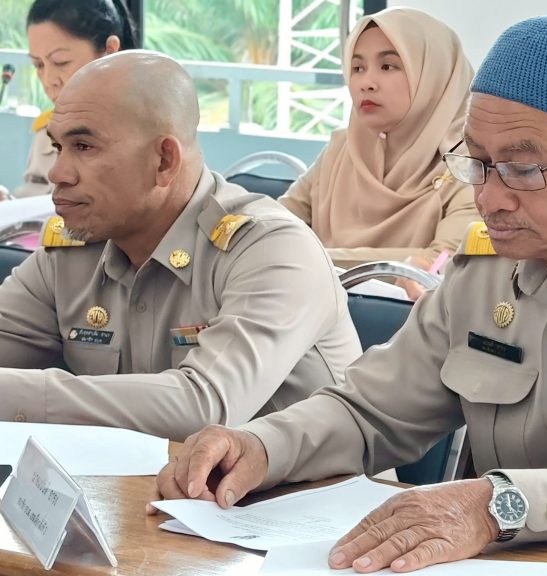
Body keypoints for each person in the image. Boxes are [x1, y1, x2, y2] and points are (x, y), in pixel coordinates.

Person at [153, 16, 547, 573]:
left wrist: (497, 504)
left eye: (522, 168)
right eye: (477, 163)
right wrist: (260, 445)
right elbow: (373, 410)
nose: (489, 197)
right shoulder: (489, 266)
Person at [0, 51, 363, 441]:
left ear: (164, 160)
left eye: (84, 147)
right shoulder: (74, 248)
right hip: (147, 480)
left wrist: (27, 396)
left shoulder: (271, 249)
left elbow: (205, 408)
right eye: (58, 147)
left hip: (302, 482)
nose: (57, 173)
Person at [278, 8, 478, 291]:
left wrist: (305, 258)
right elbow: (273, 226)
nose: (366, 84)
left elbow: (439, 263)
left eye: (387, 66)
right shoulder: (342, 150)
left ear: (434, 75)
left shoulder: (472, 167)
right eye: (357, 68)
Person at [5, 0, 137, 201]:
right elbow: (34, 205)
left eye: (61, 62)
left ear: (109, 52)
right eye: (39, 65)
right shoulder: (46, 133)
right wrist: (9, 204)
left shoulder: (141, 135)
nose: (48, 80)